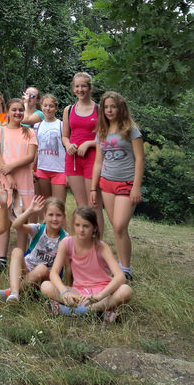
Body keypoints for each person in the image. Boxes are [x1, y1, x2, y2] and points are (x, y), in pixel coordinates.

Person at [41, 206, 133, 321]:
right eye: (77, 225)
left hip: (101, 294)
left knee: (126, 290)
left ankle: (75, 310)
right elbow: (54, 273)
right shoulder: (66, 243)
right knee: (45, 286)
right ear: (73, 225)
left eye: (86, 226)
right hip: (78, 293)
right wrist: (64, 292)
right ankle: (100, 312)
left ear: (94, 227)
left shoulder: (101, 246)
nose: (81, 230)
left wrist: (99, 296)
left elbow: (120, 277)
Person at [90, 91, 144, 279]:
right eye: (106, 107)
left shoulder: (131, 129)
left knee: (120, 226)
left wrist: (136, 187)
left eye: (113, 106)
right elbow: (98, 161)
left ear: (121, 108)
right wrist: (93, 188)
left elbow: (140, 159)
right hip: (106, 183)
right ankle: (121, 265)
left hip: (126, 183)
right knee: (116, 226)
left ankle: (126, 271)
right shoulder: (101, 132)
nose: (109, 110)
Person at [0, 98, 38, 269]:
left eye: (20, 110)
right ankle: (2, 259)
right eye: (14, 110)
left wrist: (11, 167)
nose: (18, 113)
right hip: (5, 181)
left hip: (24, 181)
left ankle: (21, 256)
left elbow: (30, 156)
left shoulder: (29, 132)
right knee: (4, 219)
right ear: (8, 112)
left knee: (22, 219)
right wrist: (8, 173)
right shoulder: (0, 131)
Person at [0, 195, 67, 305]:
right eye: (51, 215)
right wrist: (30, 210)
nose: (54, 218)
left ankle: (11, 291)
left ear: (63, 217)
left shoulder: (65, 238)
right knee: (17, 251)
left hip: (45, 279)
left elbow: (69, 265)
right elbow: (16, 225)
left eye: (58, 215)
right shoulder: (38, 229)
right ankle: (15, 293)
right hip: (26, 271)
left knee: (41, 269)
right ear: (44, 215)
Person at [62, 72, 103, 235]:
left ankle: (97, 242)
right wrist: (68, 145)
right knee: (81, 206)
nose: (80, 89)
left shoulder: (99, 109)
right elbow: (65, 136)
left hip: (93, 160)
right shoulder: (69, 110)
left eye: (84, 86)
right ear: (73, 89)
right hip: (73, 160)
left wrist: (89, 143)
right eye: (77, 86)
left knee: (94, 205)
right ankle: (83, 241)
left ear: (90, 88)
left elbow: (105, 137)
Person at [35, 94, 66, 204]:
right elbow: (36, 148)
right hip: (42, 168)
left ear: (56, 108)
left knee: (58, 204)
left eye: (51, 106)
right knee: (45, 204)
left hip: (59, 170)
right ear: (41, 106)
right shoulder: (37, 126)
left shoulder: (62, 125)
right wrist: (33, 168)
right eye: (45, 105)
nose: (48, 108)